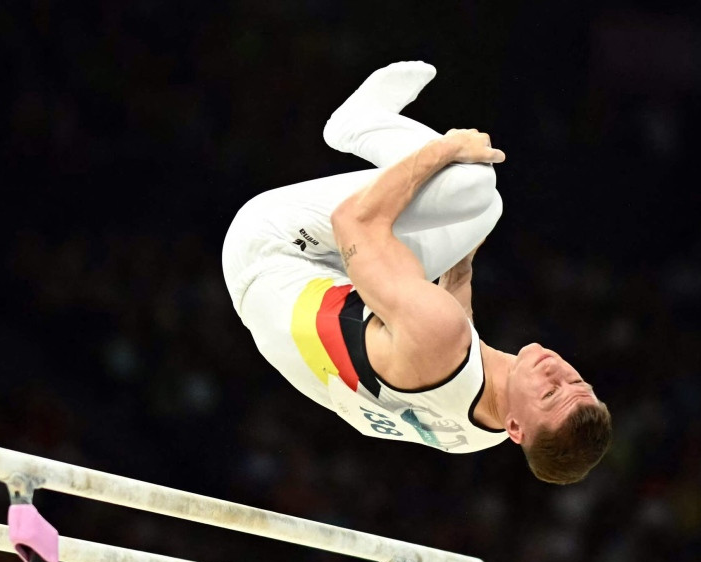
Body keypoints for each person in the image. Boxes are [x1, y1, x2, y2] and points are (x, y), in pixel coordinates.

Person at [221, 62, 611, 484]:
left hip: (271, 249)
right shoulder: (482, 436)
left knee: (472, 186)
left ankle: (358, 124)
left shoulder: (440, 337)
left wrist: (445, 150)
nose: (557, 370)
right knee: (484, 213)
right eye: (576, 379)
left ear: (517, 428)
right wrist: (464, 248)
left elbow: (351, 222)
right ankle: (455, 199)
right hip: (283, 301)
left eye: (550, 393)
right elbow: (450, 328)